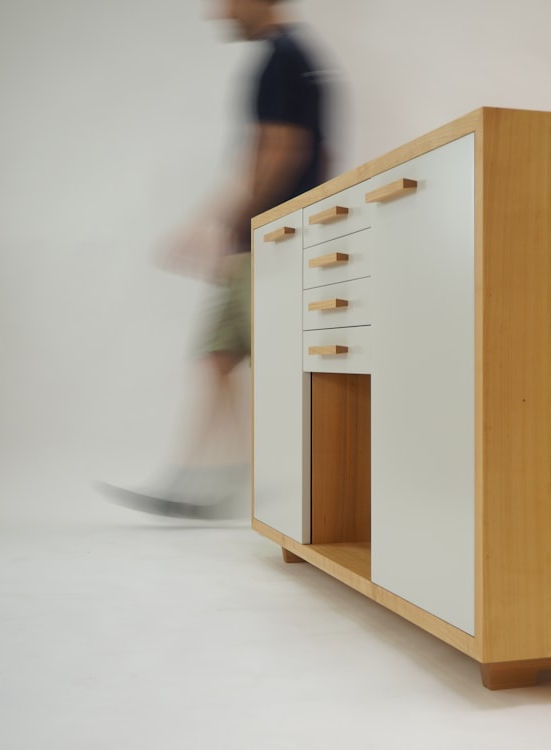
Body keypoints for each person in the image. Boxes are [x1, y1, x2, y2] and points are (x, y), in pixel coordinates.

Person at [99, 0, 332, 519]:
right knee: (218, 355)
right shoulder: (290, 56)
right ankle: (205, 480)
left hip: (272, 239)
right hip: (259, 238)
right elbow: (297, 151)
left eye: (226, 1)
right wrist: (216, 222)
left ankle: (267, 484)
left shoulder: (283, 57)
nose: (217, 12)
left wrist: (235, 218)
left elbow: (281, 150)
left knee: (277, 359)